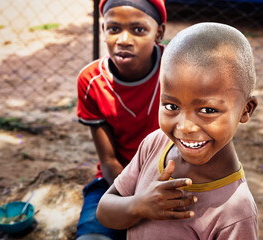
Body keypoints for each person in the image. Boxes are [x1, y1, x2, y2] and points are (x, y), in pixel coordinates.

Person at [96, 22, 259, 239]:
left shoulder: (236, 213)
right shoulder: (155, 144)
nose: (185, 127)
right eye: (172, 106)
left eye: (208, 110)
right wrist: (139, 205)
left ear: (245, 110)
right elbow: (104, 212)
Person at [76, 0, 167, 239]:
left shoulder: (176, 70)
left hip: (170, 179)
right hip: (116, 181)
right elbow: (108, 160)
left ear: (159, 32)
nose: (123, 40)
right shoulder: (91, 81)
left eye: (138, 30)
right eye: (114, 28)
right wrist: (137, 203)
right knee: (92, 236)